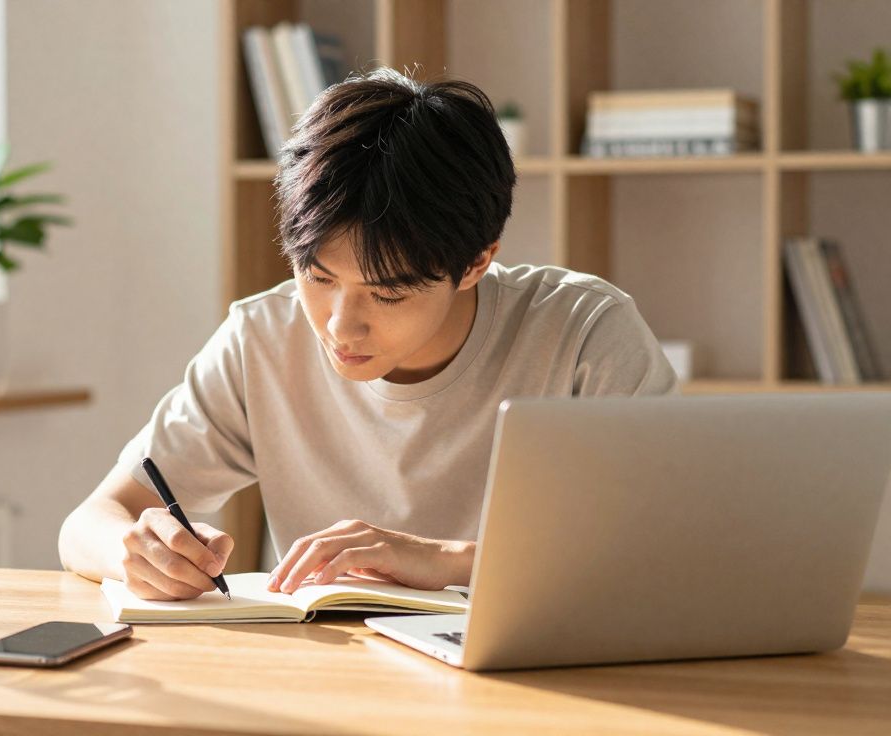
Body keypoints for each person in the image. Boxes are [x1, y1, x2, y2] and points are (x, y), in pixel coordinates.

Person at [58, 68, 677, 601]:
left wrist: (447, 562)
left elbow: (669, 550)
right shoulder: (262, 339)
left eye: (387, 294)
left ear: (476, 262)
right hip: (334, 673)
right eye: (318, 277)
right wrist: (136, 552)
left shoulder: (583, 333)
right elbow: (88, 523)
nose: (338, 325)